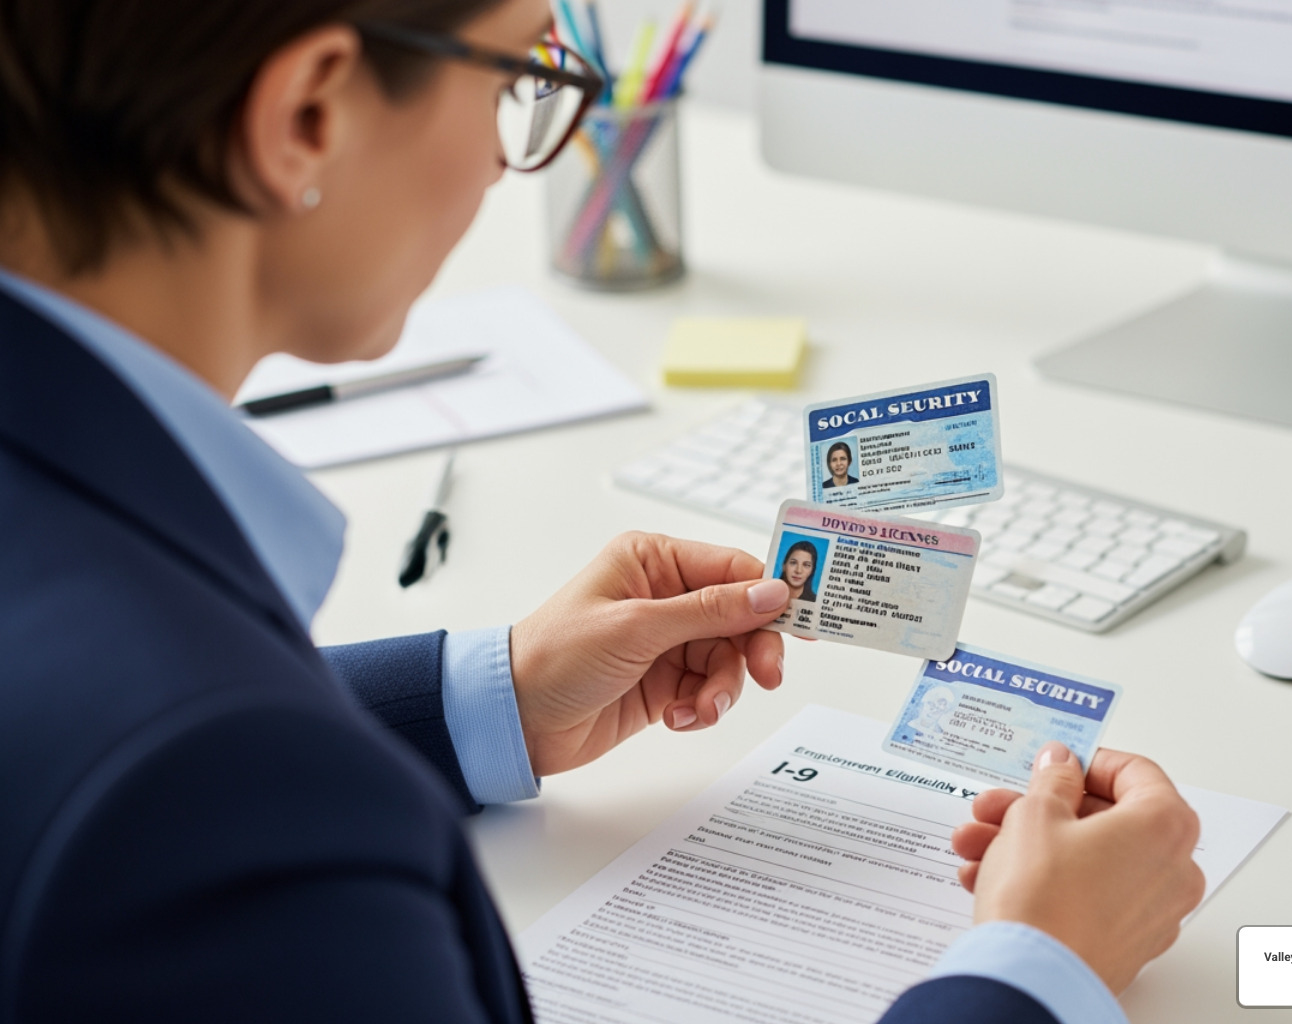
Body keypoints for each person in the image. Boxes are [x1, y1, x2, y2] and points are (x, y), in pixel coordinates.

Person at [0, 2, 1204, 1022]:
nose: (508, 161)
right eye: (515, 77)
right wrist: (1036, 969)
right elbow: (186, 782)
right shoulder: (208, 790)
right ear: (308, 115)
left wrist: (489, 697)